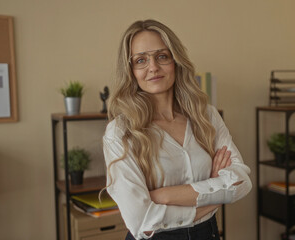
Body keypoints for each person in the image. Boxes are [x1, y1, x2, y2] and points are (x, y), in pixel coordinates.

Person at [102, 19, 252, 240]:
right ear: (131, 70)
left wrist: (163, 195)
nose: (153, 67)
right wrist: (214, 195)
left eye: (162, 56)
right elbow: (141, 219)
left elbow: (241, 182)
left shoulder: (206, 115)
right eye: (141, 60)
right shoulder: (121, 132)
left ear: (176, 61)